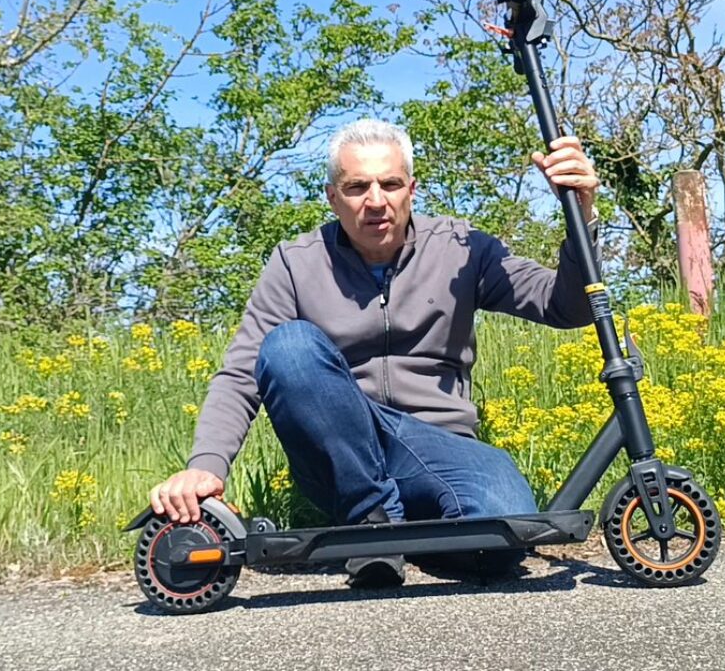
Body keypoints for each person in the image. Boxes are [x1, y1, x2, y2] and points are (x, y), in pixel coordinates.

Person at [150, 118, 601, 587]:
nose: (376, 201)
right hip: (340, 457)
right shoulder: (296, 262)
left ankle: (393, 532)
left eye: (390, 184)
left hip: (441, 446)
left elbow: (566, 306)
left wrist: (581, 213)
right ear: (332, 197)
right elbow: (241, 373)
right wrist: (205, 469)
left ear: (412, 189)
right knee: (289, 347)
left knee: (503, 533)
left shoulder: (462, 248)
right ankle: (372, 519)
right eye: (356, 187)